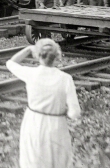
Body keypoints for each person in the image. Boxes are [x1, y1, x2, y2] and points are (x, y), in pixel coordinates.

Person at [6, 39, 80, 168]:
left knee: (33, 160)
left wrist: (28, 49)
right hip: (57, 124)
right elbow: (75, 113)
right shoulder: (65, 79)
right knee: (58, 160)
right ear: (57, 56)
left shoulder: (30, 73)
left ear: (38, 54)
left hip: (33, 122)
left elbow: (10, 63)